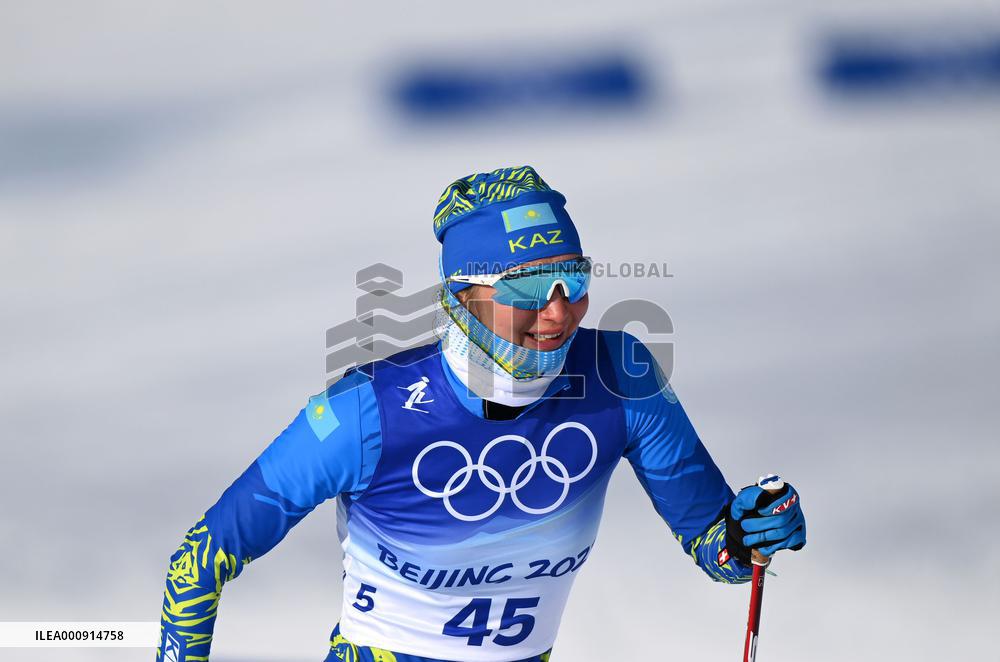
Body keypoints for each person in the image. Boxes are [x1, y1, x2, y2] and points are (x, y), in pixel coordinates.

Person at [156, 165, 806, 662]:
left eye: (572, 282)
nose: (559, 312)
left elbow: (719, 552)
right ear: (461, 295)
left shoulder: (622, 377)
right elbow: (201, 557)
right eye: (528, 289)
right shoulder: (367, 411)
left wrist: (752, 534)